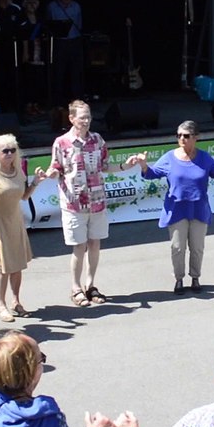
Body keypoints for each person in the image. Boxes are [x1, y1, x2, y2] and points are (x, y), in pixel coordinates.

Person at [43, 100, 142, 307]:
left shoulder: (97, 140)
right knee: (79, 247)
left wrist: (126, 165)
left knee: (95, 244)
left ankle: (90, 286)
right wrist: (50, 173)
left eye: (88, 117)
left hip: (97, 202)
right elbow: (56, 168)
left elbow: (105, 166)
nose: (87, 121)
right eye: (82, 117)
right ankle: (75, 288)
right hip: (74, 203)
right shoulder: (61, 142)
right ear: (71, 118)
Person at [135, 120, 214, 295]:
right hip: (176, 210)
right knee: (177, 248)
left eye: (186, 135)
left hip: (198, 209)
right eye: (178, 135)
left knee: (197, 247)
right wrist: (143, 165)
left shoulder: (204, 158)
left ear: (196, 137)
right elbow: (151, 174)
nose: (181, 138)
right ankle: (179, 279)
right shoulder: (169, 158)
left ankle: (195, 278)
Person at [0, 134, 48, 322]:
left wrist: (36, 182)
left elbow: (24, 196)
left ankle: (16, 301)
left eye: (12, 150)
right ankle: (1, 305)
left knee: (18, 264)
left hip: (15, 221)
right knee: (4, 266)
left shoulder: (17, 171)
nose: (9, 154)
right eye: (4, 151)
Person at [45, 0, 83, 102]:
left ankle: (76, 98)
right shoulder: (52, 7)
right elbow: (48, 25)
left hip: (74, 41)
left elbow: (79, 24)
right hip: (59, 43)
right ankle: (58, 100)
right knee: (59, 71)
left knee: (76, 71)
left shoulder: (76, 6)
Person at [0, 0, 23, 112]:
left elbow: (22, 31)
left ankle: (15, 109)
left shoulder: (16, 9)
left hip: (14, 49)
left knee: (14, 79)